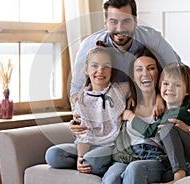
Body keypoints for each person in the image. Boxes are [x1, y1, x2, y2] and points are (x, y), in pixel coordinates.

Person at [69, 0, 190, 142]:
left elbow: (180, 75)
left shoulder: (152, 39)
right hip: (107, 115)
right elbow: (76, 89)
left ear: (135, 21)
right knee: (56, 156)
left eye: (126, 21)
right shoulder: (89, 46)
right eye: (113, 22)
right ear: (105, 23)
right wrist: (76, 117)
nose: (120, 28)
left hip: (149, 107)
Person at [45, 43, 130, 176]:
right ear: (86, 69)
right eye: (95, 66)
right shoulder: (81, 99)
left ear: (111, 70)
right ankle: (84, 163)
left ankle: (93, 163)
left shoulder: (120, 90)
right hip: (85, 144)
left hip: (108, 146)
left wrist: (158, 98)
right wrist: (80, 156)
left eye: (106, 66)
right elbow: (83, 134)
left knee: (90, 161)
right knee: (52, 155)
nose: (100, 71)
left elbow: (143, 87)